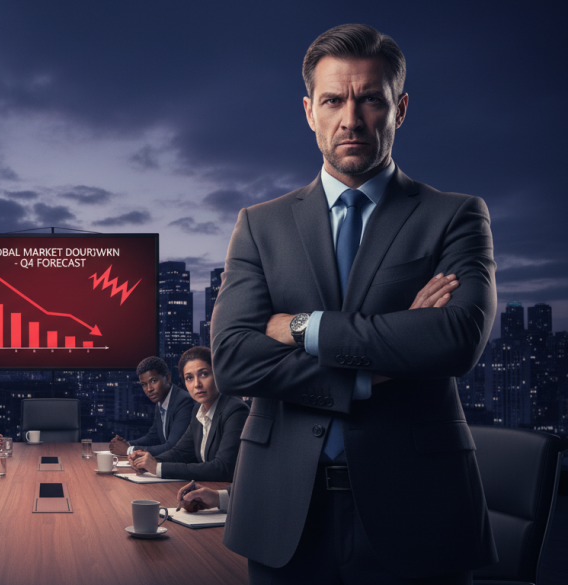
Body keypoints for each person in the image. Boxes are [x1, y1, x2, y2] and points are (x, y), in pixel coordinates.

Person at [185, 24, 498, 584]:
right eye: (333, 100)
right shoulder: (260, 226)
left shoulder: (454, 215)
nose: (351, 119)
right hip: (282, 509)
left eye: (370, 99)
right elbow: (233, 359)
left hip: (418, 505)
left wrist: (301, 327)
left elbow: (455, 339)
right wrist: (372, 367)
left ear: (400, 108)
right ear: (310, 111)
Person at [130, 347, 248, 481]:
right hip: (207, 488)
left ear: (217, 374)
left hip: (229, 496)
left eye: (204, 374)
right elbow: (180, 453)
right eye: (189, 378)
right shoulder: (198, 409)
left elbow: (223, 468)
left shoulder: (235, 410)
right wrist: (146, 461)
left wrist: (157, 468)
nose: (197, 384)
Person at [109, 356, 193, 457]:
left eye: (153, 381)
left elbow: (172, 447)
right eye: (144, 384)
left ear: (168, 378)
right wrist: (127, 444)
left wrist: (128, 450)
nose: (149, 389)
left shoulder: (183, 401)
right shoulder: (161, 401)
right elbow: (153, 437)